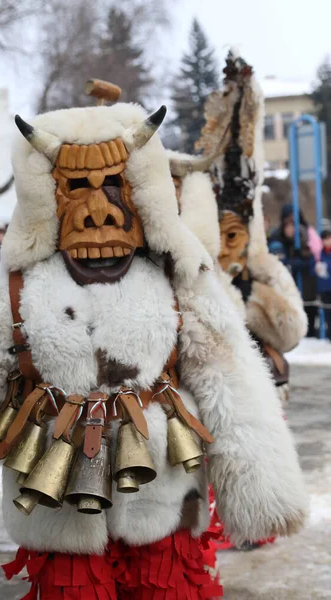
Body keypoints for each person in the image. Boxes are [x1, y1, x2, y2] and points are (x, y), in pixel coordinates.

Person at [0, 100, 307, 599]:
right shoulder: (8, 289)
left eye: (112, 185)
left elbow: (230, 382)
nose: (96, 210)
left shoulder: (180, 279)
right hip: (56, 505)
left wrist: (260, 489)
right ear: (49, 195)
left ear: (138, 192)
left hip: (165, 499)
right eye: (77, 188)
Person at [169, 50, 307, 552]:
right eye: (219, 234)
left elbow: (291, 331)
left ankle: (256, 519)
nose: (227, 245)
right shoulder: (198, 281)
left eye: (236, 236)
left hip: (265, 389)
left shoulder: (262, 275)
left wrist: (259, 291)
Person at [268, 205, 318, 337]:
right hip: (285, 283)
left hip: (306, 285)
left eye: (293, 224)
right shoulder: (276, 239)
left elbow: (311, 258)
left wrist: (299, 261)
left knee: (308, 309)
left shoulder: (305, 235)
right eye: (288, 224)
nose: (291, 228)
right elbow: (280, 261)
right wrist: (293, 263)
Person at [314, 230, 331, 340]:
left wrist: (327, 267)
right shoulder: (319, 254)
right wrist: (316, 268)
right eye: (324, 239)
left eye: (328, 238)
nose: (326, 241)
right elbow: (312, 266)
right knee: (327, 317)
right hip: (324, 289)